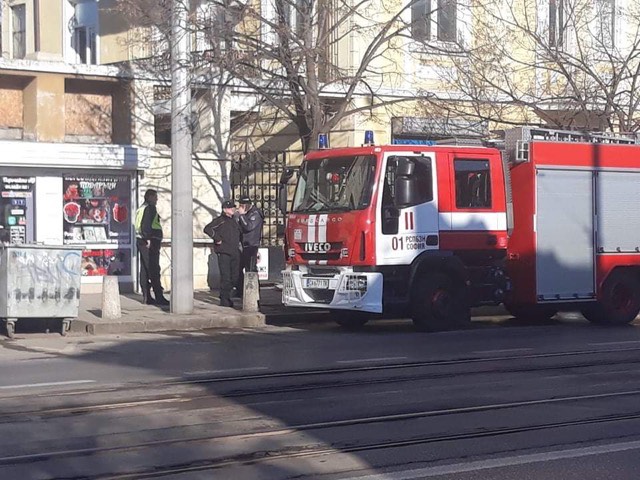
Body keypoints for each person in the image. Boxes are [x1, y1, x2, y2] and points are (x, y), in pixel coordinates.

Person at [134, 189, 169, 306]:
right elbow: (146, 225)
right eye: (155, 197)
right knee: (154, 268)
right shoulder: (150, 208)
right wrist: (148, 238)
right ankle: (159, 296)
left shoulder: (141, 208)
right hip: (150, 241)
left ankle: (146, 296)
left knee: (144, 269)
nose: (157, 199)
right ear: (150, 197)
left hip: (141, 241)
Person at [204, 200, 242, 308]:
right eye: (230, 208)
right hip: (224, 252)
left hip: (234, 251)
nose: (233, 210)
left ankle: (228, 294)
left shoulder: (235, 221)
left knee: (235, 276)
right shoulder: (220, 220)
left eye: (233, 208)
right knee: (226, 277)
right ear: (225, 210)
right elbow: (207, 229)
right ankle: (224, 299)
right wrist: (217, 239)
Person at [236, 195, 264, 296]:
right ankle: (240, 291)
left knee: (251, 270)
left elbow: (248, 227)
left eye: (241, 206)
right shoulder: (247, 214)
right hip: (243, 245)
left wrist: (241, 216)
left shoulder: (255, 214)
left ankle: (254, 293)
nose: (239, 208)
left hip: (251, 245)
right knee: (238, 268)